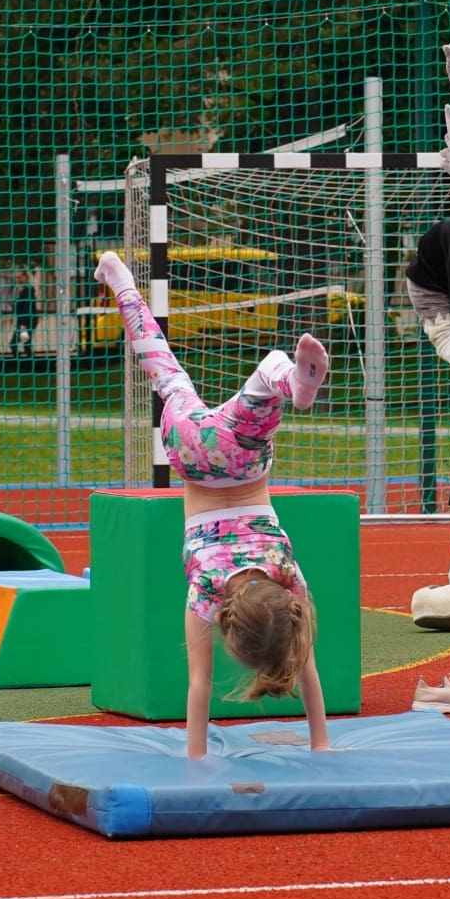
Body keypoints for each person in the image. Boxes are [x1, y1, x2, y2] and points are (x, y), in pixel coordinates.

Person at [97, 250, 333, 758]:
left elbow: (309, 673)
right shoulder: (207, 591)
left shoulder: (286, 577)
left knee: (264, 380)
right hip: (188, 448)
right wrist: (196, 758)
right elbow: (199, 685)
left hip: (240, 455)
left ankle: (287, 382)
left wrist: (322, 744)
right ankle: (119, 280)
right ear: (230, 629)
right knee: (163, 369)